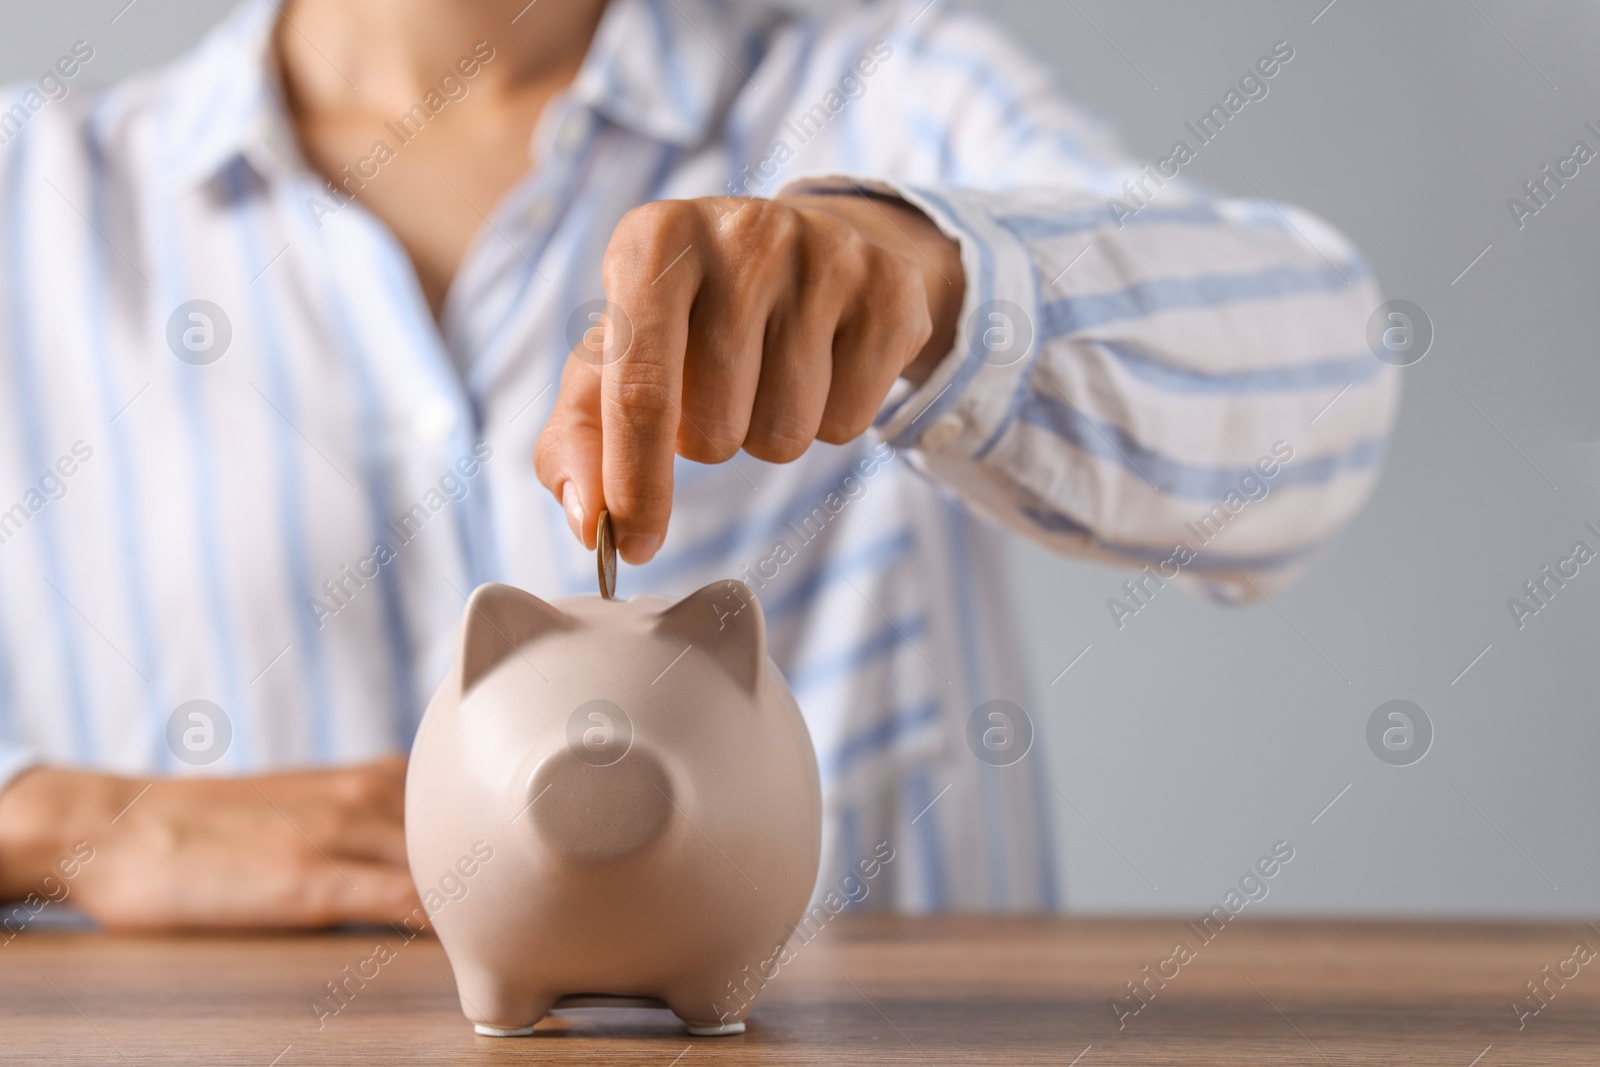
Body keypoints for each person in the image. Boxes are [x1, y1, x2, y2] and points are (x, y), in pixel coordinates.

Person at [0, 0, 1396, 927]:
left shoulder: (883, 87)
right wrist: (60, 823)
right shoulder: (30, 197)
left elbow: (1314, 408)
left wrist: (940, 282)